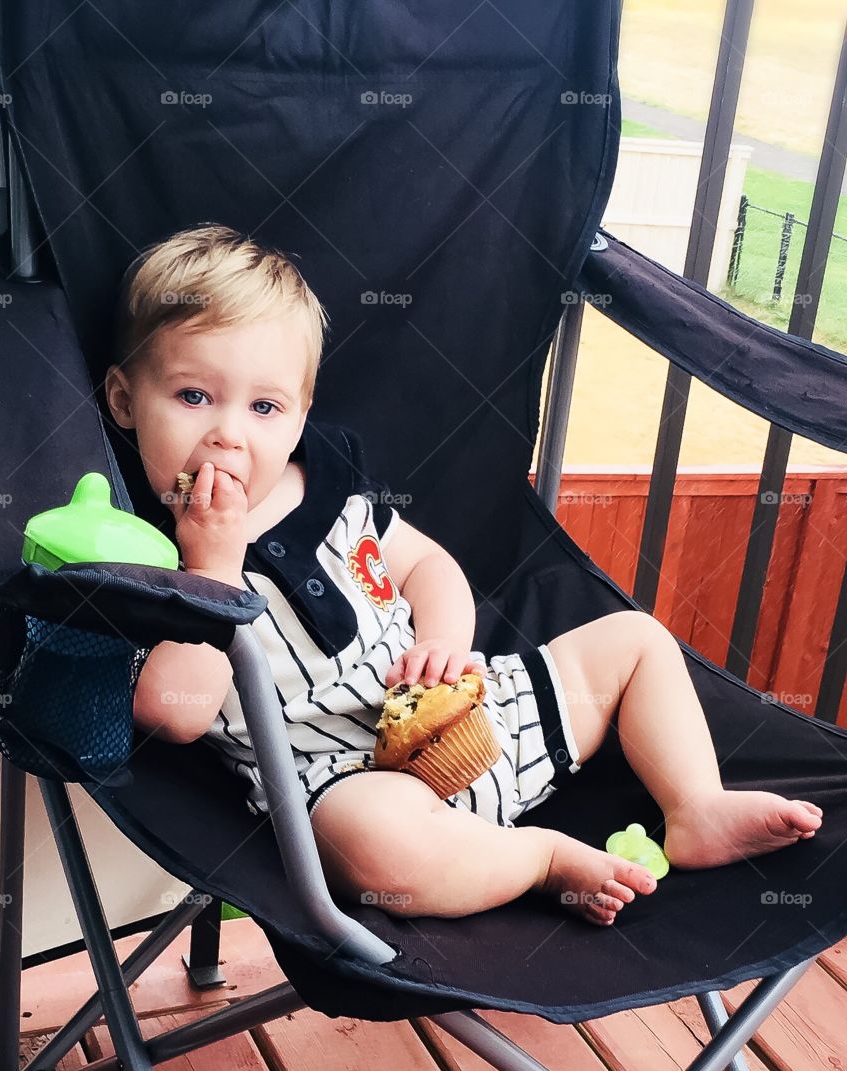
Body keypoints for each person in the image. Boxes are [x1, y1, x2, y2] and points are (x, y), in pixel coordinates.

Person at [106, 223, 824, 928]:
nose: (229, 434)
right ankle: (537, 859)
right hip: (350, 781)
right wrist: (213, 565)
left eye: (264, 407)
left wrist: (447, 643)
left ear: (300, 419)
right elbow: (174, 713)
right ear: (124, 400)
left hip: (477, 715)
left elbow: (426, 564)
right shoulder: (142, 550)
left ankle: (694, 806)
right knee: (376, 847)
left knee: (634, 641)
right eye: (194, 396)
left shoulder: (325, 489)